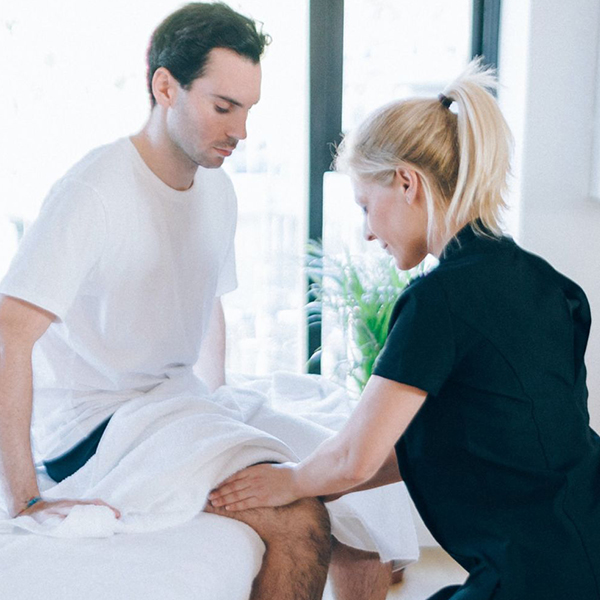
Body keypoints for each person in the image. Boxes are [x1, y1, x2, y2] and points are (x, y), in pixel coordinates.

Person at [0, 3, 406, 599]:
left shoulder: (217, 188)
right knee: (300, 517)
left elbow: (206, 305)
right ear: (165, 86)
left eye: (248, 109)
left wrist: (218, 408)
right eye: (224, 107)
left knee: (367, 496)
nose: (241, 130)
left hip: (175, 407)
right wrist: (27, 496)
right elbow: (11, 333)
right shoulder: (95, 191)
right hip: (97, 431)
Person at [210, 59, 600, 600]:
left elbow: (355, 457)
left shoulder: (438, 302)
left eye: (367, 206)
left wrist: (291, 481)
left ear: (408, 182)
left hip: (540, 578)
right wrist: (313, 480)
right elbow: (442, 445)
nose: (369, 233)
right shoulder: (551, 286)